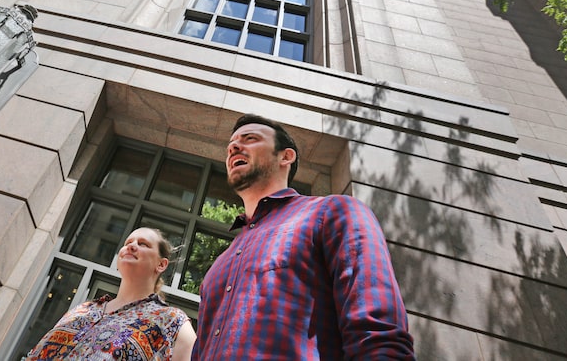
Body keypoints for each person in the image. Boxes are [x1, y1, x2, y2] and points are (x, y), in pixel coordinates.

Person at [192, 114, 415, 360]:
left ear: (286, 156)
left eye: (250, 138)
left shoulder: (332, 212)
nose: (233, 147)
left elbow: (378, 337)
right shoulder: (218, 267)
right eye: (231, 145)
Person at [27, 227, 196, 360]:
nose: (131, 246)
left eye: (143, 244)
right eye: (128, 242)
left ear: (161, 264)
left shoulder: (172, 322)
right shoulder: (84, 309)